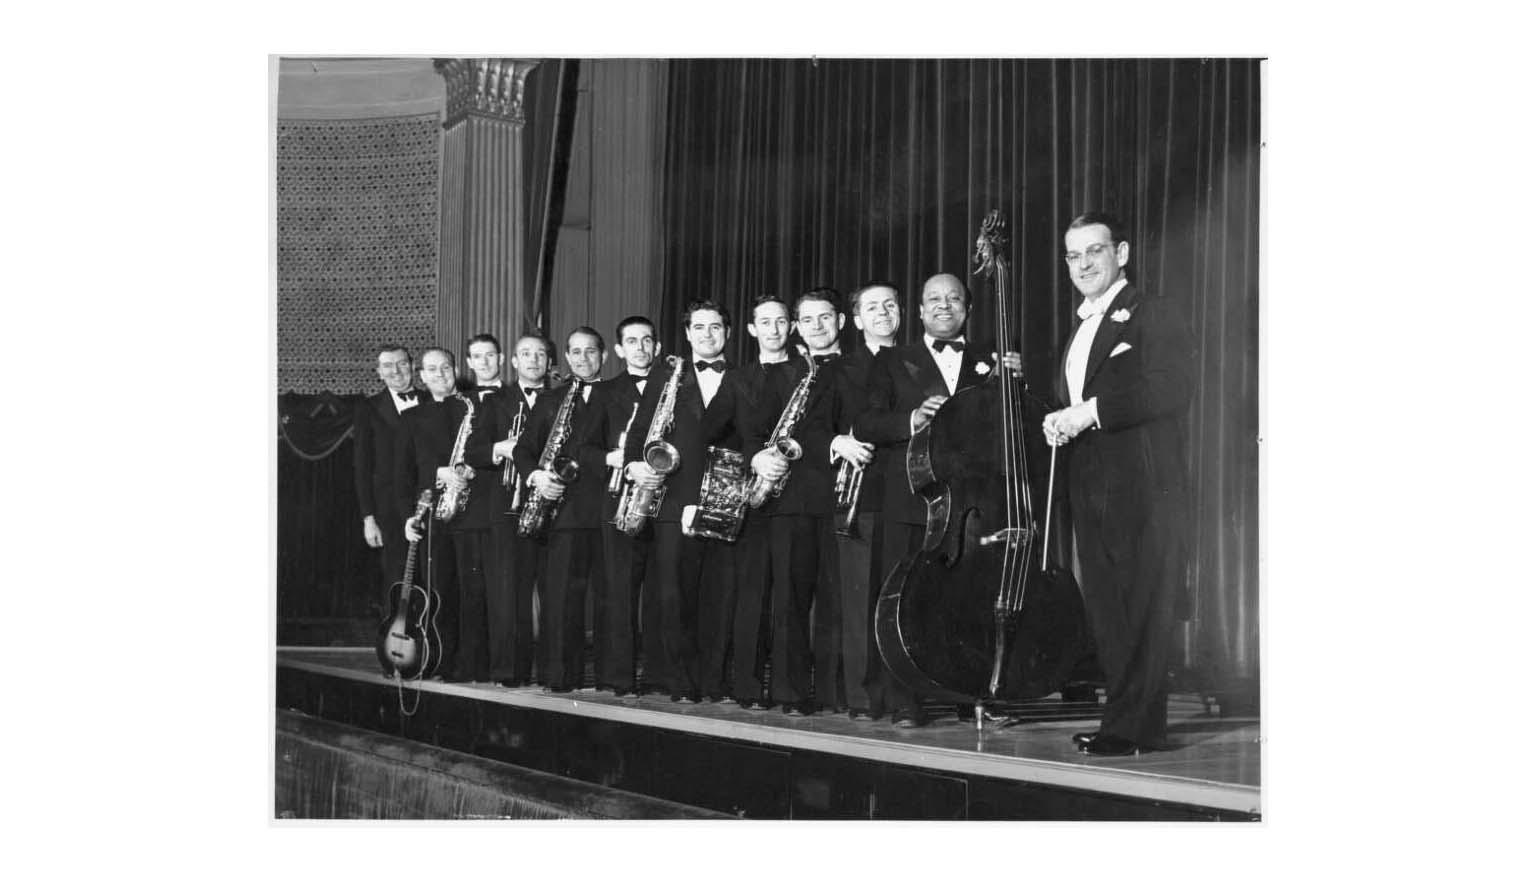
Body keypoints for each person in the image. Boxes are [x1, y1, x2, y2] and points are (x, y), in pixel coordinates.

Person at [1042, 212, 1193, 757]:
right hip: (1093, 489)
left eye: (1094, 252)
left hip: (1145, 488)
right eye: (1073, 256)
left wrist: (1090, 412)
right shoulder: (1081, 325)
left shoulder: (1154, 313)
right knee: (1110, 611)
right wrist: (1060, 418)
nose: (1083, 265)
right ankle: (1124, 722)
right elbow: (1080, 399)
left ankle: (1135, 728)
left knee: (1142, 607)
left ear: (1121, 253)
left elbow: (1173, 389)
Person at [853, 272, 1015, 726]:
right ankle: (904, 700)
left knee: (969, 598)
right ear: (919, 311)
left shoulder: (992, 358)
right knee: (902, 600)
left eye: (955, 298)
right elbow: (866, 422)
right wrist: (910, 418)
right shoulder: (891, 360)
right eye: (933, 299)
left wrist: (1014, 388)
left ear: (968, 308)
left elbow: (1012, 428)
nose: (945, 305)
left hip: (970, 507)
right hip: (909, 498)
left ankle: (974, 698)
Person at [623, 300, 744, 704]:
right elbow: (642, 431)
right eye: (699, 328)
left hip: (725, 501)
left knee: (721, 597)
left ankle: (715, 681)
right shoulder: (666, 377)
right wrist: (634, 466)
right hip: (674, 500)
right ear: (688, 334)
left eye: (716, 327)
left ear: (727, 332)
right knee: (675, 597)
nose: (708, 335)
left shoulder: (744, 377)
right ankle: (681, 681)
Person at [746, 288, 850, 716]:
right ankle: (789, 692)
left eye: (825, 318)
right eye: (807, 320)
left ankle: (834, 692)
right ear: (797, 327)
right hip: (793, 498)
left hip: (848, 497)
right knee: (789, 599)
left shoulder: (866, 365)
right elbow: (758, 429)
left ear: (841, 321)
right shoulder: (786, 371)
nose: (817, 327)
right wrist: (758, 456)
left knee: (838, 601)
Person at [513, 327, 611, 693]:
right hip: (562, 512)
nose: (583, 359)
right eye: (576, 352)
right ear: (566, 358)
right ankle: (559, 676)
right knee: (560, 599)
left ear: (603, 355)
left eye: (590, 351)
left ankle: (608, 678)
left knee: (608, 599)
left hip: (607, 510)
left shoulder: (618, 393)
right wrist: (536, 476)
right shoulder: (551, 399)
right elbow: (524, 450)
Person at [398, 347, 494, 682]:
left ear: (455, 369)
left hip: (475, 512)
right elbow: (405, 473)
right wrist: (439, 474)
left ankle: (475, 664)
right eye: (431, 370)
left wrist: (469, 470)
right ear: (420, 377)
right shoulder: (411, 419)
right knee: (441, 592)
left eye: (446, 367)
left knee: (475, 590)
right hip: (436, 514)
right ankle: (442, 660)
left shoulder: (477, 407)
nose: (440, 374)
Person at [827, 284, 899, 721]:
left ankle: (905, 693)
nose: (882, 312)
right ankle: (862, 698)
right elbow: (818, 427)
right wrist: (838, 441)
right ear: (855, 320)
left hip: (914, 495)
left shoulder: (918, 359)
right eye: (872, 307)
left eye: (890, 304)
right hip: (862, 493)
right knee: (859, 600)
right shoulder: (841, 368)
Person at [465, 334, 552, 686]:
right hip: (508, 505)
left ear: (549, 361)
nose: (533, 360)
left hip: (554, 503)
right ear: (513, 362)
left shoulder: (562, 398)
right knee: (508, 592)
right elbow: (473, 451)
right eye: (526, 354)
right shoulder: (495, 401)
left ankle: (552, 672)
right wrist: (502, 448)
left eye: (540, 354)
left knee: (554, 592)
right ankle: (509, 671)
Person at [728, 294, 799, 710]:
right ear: (752, 330)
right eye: (764, 323)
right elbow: (710, 432)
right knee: (751, 596)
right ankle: (748, 689)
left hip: (796, 496)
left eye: (780, 321)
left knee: (790, 596)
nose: (773, 330)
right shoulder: (738, 378)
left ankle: (789, 692)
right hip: (752, 496)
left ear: (789, 326)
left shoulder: (806, 372)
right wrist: (752, 454)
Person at [591, 316, 660, 696]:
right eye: (631, 341)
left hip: (663, 502)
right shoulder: (604, 393)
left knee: (662, 593)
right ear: (618, 350)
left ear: (657, 347)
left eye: (647, 340)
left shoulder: (676, 388)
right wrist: (612, 459)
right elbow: (583, 450)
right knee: (620, 594)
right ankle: (620, 678)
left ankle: (660, 675)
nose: (640, 347)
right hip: (621, 501)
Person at [353, 344, 419, 609]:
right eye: (388, 366)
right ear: (379, 373)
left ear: (413, 366)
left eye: (402, 363)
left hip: (429, 502)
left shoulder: (431, 401)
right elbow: (362, 466)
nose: (396, 371)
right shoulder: (368, 408)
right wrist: (369, 518)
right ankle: (395, 646)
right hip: (388, 510)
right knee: (396, 579)